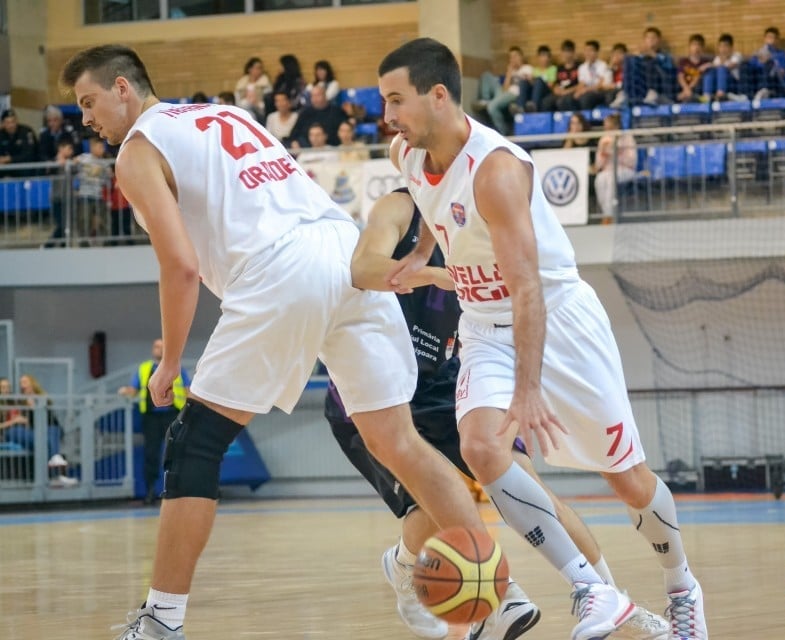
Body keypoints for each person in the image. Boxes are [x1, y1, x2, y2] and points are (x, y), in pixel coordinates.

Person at [62, 44, 490, 640]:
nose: (86, 119)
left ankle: (161, 621)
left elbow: (181, 269)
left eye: (89, 102)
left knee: (195, 445)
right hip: (345, 252)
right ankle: (498, 596)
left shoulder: (138, 151)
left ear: (122, 88)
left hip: (280, 271)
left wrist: (171, 361)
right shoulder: (225, 115)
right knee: (402, 443)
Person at [378, 38, 707, 640]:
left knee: (627, 478)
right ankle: (590, 589)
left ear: (440, 96)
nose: (387, 115)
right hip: (482, 323)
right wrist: (424, 253)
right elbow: (432, 204)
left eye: (397, 100)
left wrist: (527, 390)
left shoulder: (497, 170)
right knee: (480, 448)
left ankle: (683, 585)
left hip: (556, 320)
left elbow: (526, 287)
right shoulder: (406, 152)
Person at [336, 188, 629, 640]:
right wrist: (433, 272)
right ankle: (418, 571)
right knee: (437, 501)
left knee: (526, 486)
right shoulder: (402, 208)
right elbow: (363, 268)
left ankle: (609, 597)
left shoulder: (495, 230)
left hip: (441, 377)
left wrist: (526, 386)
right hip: (373, 379)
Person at [118, 338, 191, 506]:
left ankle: (176, 493)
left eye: (162, 346)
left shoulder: (178, 369)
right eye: (156, 346)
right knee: (151, 454)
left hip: (173, 416)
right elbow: (133, 390)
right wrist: (124, 391)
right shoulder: (144, 369)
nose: (158, 349)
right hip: (151, 418)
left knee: (176, 453)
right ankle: (150, 492)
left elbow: (188, 391)